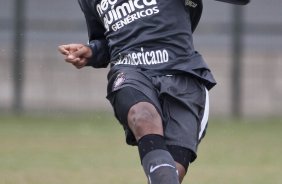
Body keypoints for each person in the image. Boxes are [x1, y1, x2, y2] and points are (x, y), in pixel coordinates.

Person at [58, 0, 249, 183]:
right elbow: (106, 40)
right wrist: (92, 51)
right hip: (129, 69)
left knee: (171, 173)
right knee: (142, 116)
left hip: (182, 73)